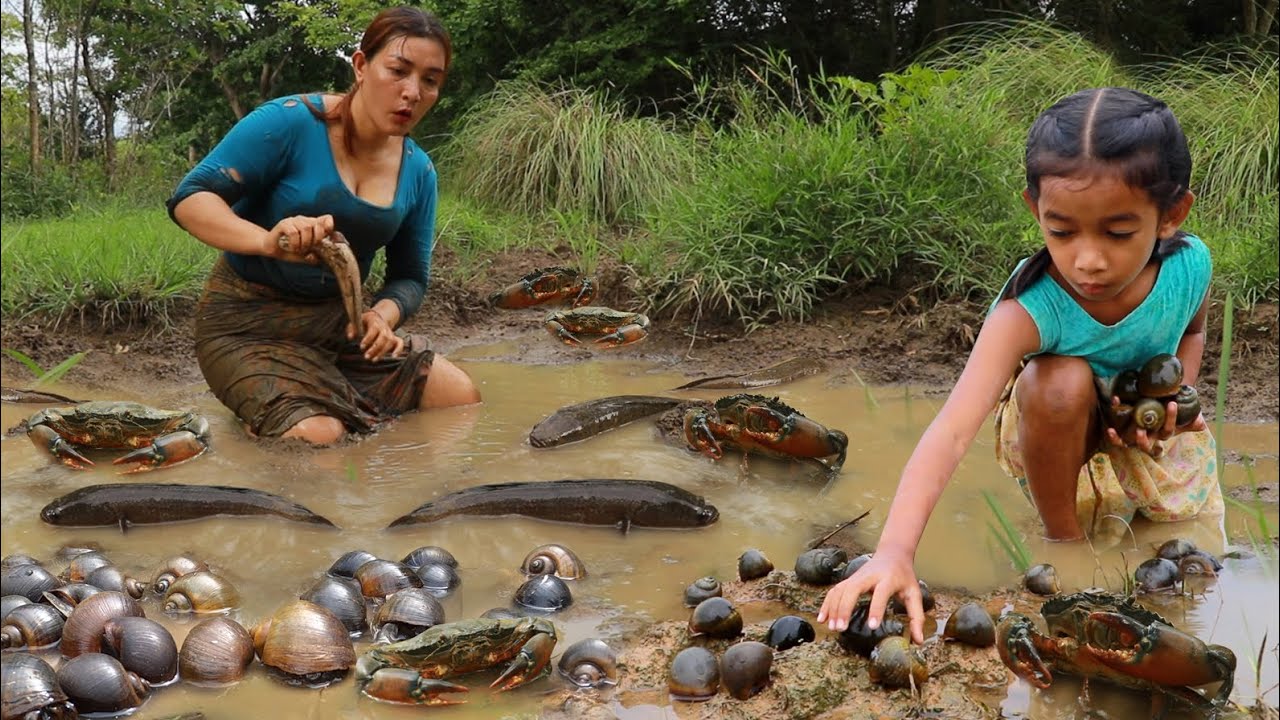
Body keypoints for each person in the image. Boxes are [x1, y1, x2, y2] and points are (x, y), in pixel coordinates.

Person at [817, 87, 1223, 643]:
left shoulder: (1190, 266)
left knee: (1188, 549)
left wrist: (1180, 396)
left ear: (1171, 214)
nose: (1088, 259)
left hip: (1140, 419)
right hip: (1059, 424)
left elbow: (1193, 331)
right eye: (1062, 231)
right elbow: (952, 430)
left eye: (1118, 233)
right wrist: (893, 552)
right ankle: (1065, 545)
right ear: (1036, 210)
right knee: (1056, 379)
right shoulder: (1028, 308)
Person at [167, 7, 480, 445]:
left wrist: (381, 317)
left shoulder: (419, 172)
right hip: (247, 326)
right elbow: (191, 199)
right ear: (360, 65)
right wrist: (267, 241)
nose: (412, 92)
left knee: (458, 398)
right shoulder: (290, 123)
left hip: (341, 329)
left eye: (430, 80)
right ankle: (271, 413)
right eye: (398, 70)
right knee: (320, 437)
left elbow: (409, 278)